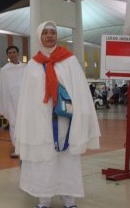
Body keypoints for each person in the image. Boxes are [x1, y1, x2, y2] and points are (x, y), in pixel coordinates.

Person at [15, 21, 101, 208]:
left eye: (52, 32)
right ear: (39, 37)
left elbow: (79, 90)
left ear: (57, 36)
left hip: (65, 121)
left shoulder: (69, 60)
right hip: (40, 121)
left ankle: (68, 199)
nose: (49, 35)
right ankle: (44, 198)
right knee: (43, 158)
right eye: (45, 32)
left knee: (67, 157)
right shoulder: (32, 65)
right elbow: (27, 98)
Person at [0, 45, 25, 158]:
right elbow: (3, 88)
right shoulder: (5, 70)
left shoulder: (24, 67)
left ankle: (25, 147)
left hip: (24, 101)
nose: (12, 54)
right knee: (13, 123)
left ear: (18, 53)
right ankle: (17, 148)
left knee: (24, 123)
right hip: (11, 101)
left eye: (14, 52)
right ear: (8, 56)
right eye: (10, 53)